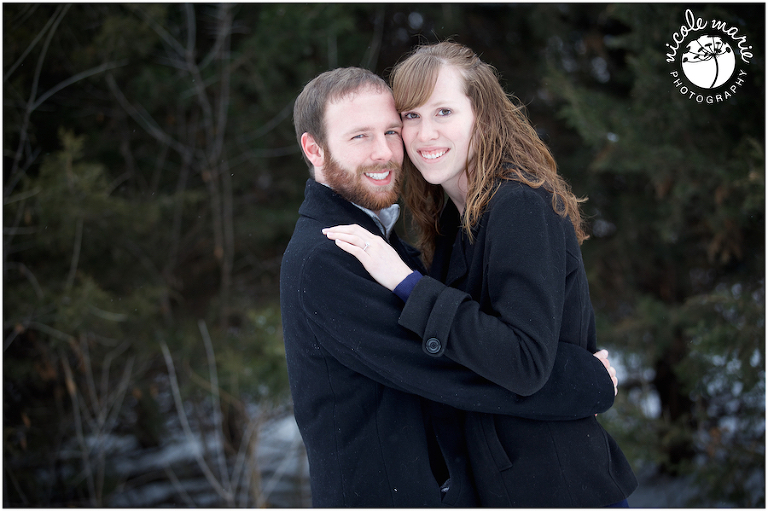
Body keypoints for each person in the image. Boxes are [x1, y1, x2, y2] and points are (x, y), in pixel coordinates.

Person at [281, 66, 620, 507]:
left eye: (390, 131)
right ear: (314, 148)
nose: (384, 152)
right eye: (359, 137)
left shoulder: (387, 240)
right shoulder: (326, 259)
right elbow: (449, 366)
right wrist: (584, 382)